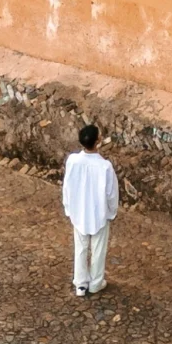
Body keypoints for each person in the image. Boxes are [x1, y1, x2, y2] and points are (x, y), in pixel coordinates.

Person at [62, 123, 119, 297]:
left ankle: (80, 284)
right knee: (98, 250)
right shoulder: (105, 167)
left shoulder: (72, 161)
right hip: (98, 213)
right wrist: (111, 212)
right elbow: (111, 194)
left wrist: (69, 208)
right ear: (98, 141)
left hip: (79, 212)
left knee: (80, 248)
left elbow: (67, 186)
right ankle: (95, 283)